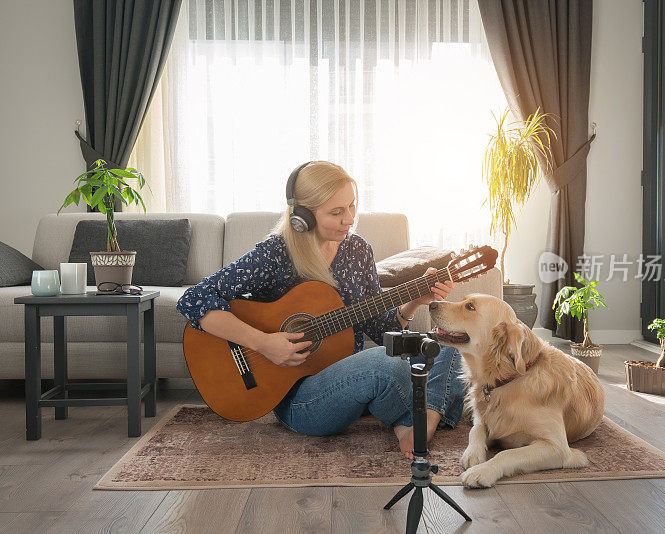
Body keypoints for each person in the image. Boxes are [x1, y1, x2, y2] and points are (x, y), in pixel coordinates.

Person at [176, 160, 466, 459]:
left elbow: (383, 332)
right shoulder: (276, 253)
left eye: (352, 206)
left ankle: (422, 422)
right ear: (303, 216)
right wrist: (263, 343)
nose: (349, 219)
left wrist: (417, 299)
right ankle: (412, 417)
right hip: (301, 401)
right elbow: (194, 298)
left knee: (448, 342)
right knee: (386, 365)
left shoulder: (357, 250)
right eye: (336, 212)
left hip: (351, 378)